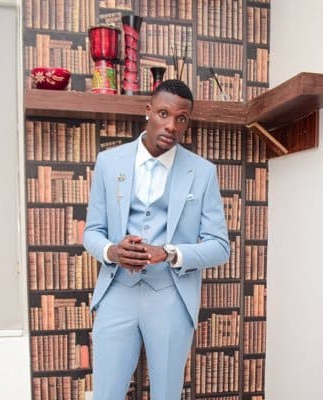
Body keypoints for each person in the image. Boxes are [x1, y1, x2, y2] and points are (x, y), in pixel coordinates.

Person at [83, 79, 230, 400]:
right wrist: (112, 251)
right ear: (148, 111)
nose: (172, 125)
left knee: (166, 394)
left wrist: (170, 252)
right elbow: (91, 232)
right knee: (105, 394)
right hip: (117, 293)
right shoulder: (109, 162)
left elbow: (220, 247)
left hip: (170, 297)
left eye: (181, 118)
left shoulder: (202, 172)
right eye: (164, 114)